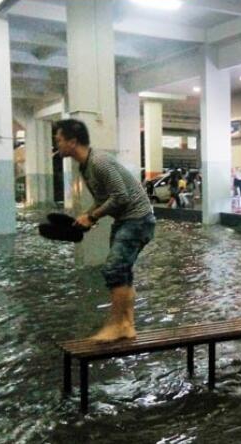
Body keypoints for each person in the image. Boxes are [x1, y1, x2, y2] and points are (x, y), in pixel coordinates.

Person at [53, 119, 155, 342]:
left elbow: (121, 197)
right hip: (126, 220)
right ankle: (127, 325)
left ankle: (117, 325)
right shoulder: (85, 165)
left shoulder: (99, 162)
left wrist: (92, 216)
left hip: (138, 219)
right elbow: (104, 199)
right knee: (123, 272)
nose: (57, 144)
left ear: (72, 141)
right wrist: (86, 218)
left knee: (114, 269)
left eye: (59, 139)